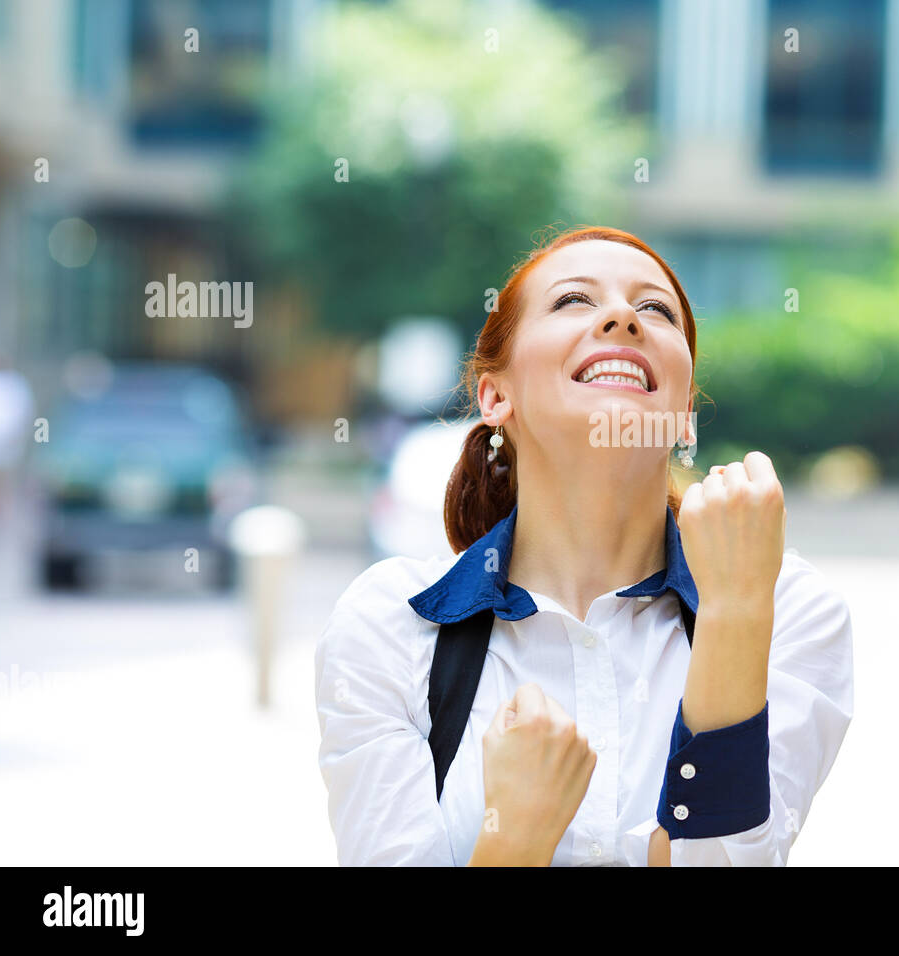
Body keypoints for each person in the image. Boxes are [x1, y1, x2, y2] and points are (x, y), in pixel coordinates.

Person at [314, 225, 853, 865]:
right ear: (495, 395)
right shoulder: (390, 625)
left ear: (684, 410)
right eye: (574, 300)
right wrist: (511, 837)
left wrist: (735, 611)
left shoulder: (786, 608)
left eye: (654, 309)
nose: (623, 316)